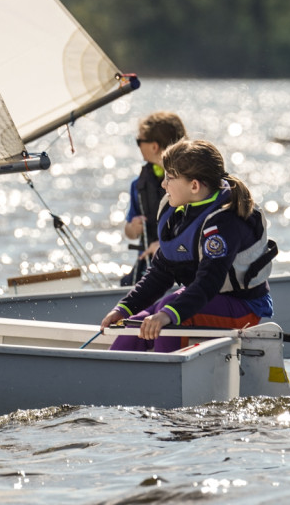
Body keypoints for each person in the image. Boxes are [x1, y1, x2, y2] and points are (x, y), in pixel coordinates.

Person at [100, 139, 277, 353]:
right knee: (138, 322)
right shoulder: (179, 212)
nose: (163, 184)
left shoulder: (223, 224)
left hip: (243, 306)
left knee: (168, 321)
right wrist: (124, 308)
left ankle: (165, 378)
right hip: (204, 298)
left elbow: (209, 282)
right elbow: (160, 272)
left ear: (194, 185)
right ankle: (111, 372)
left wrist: (168, 314)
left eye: (169, 178)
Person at [120, 111, 187, 286]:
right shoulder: (138, 185)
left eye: (139, 141)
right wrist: (132, 228)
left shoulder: (191, 183)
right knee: (127, 284)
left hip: (183, 262)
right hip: (150, 264)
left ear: (154, 146)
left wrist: (165, 247)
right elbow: (129, 231)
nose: (138, 146)